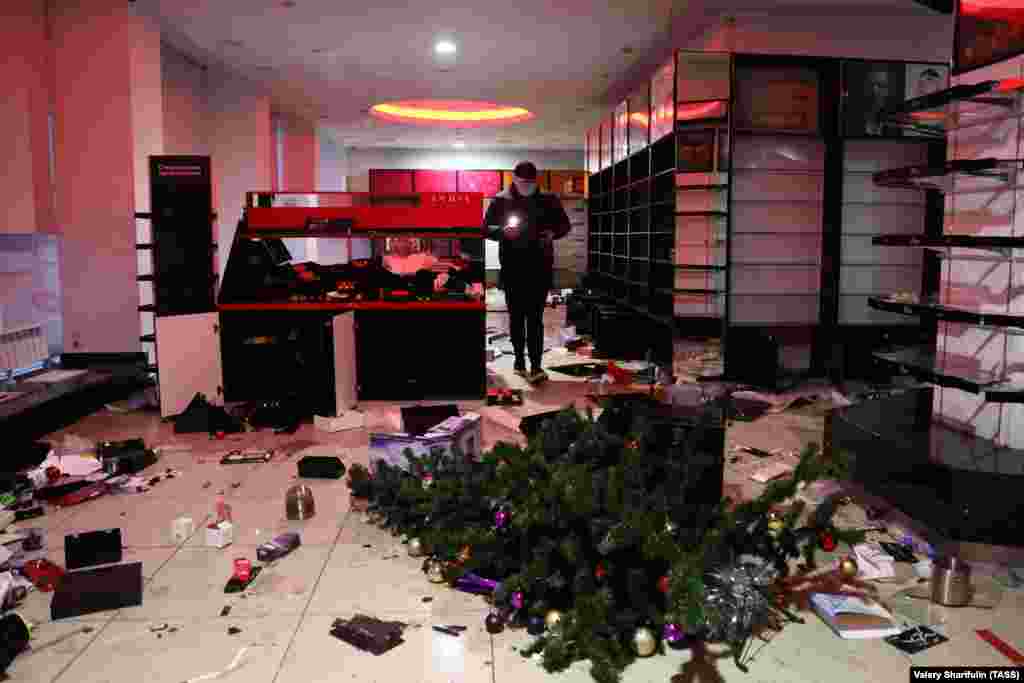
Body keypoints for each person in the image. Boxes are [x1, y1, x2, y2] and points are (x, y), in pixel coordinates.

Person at [484, 161, 571, 384]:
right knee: (516, 317)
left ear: (536, 180)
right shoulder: (501, 200)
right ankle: (519, 362)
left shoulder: (549, 200)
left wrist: (553, 234)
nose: (527, 186)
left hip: (540, 266)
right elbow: (485, 228)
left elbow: (564, 225)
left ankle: (536, 365)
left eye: (531, 182)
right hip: (513, 267)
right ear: (514, 179)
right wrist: (503, 232)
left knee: (535, 318)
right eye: (523, 182)